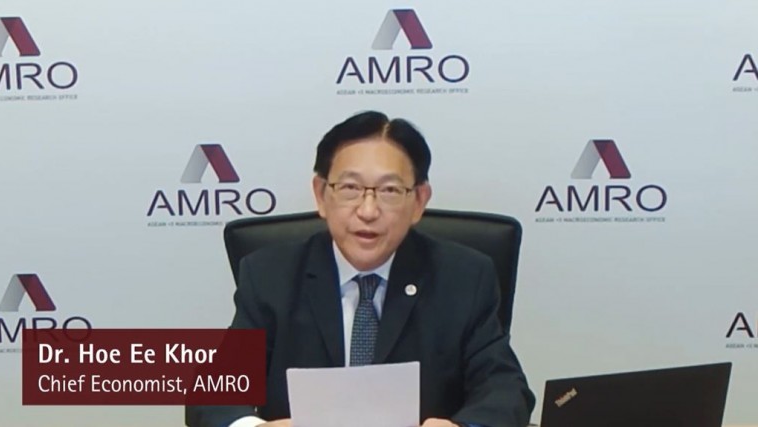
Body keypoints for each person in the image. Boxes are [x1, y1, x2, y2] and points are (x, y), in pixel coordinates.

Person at [186, 111, 535, 427]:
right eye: (350, 188)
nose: (368, 211)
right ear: (321, 194)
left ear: (419, 201)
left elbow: (506, 390)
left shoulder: (464, 277)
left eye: (389, 190)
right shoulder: (270, 275)